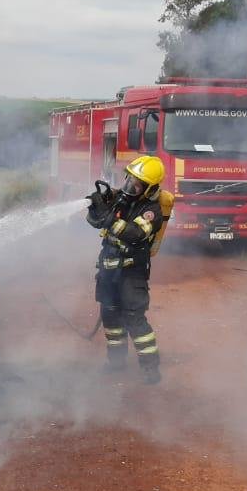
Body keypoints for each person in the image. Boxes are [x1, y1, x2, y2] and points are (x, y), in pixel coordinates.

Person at [85, 156, 167, 381]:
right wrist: (96, 208)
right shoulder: (122, 198)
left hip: (132, 273)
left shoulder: (152, 211)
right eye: (130, 179)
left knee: (134, 319)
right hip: (108, 269)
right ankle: (116, 362)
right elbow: (95, 222)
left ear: (149, 189)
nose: (131, 186)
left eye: (137, 184)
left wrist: (110, 218)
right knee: (110, 317)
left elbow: (135, 234)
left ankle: (151, 368)